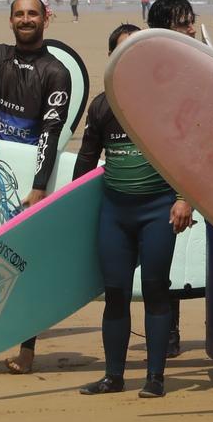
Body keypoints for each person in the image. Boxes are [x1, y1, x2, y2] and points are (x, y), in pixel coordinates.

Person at [74, 24, 194, 398]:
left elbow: (187, 157)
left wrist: (184, 198)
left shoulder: (167, 102)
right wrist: (66, 212)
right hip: (115, 212)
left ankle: (155, 377)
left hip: (158, 209)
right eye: (121, 52)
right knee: (115, 293)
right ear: (112, 58)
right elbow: (86, 161)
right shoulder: (102, 106)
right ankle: (113, 376)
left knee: (156, 290)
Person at [0, 0, 72, 374]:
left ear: (45, 19)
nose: (26, 19)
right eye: (19, 14)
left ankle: (27, 350)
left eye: (33, 13)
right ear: (11, 20)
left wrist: (39, 185)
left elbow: (51, 130)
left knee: (22, 265)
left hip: (27, 180)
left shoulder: (56, 72)